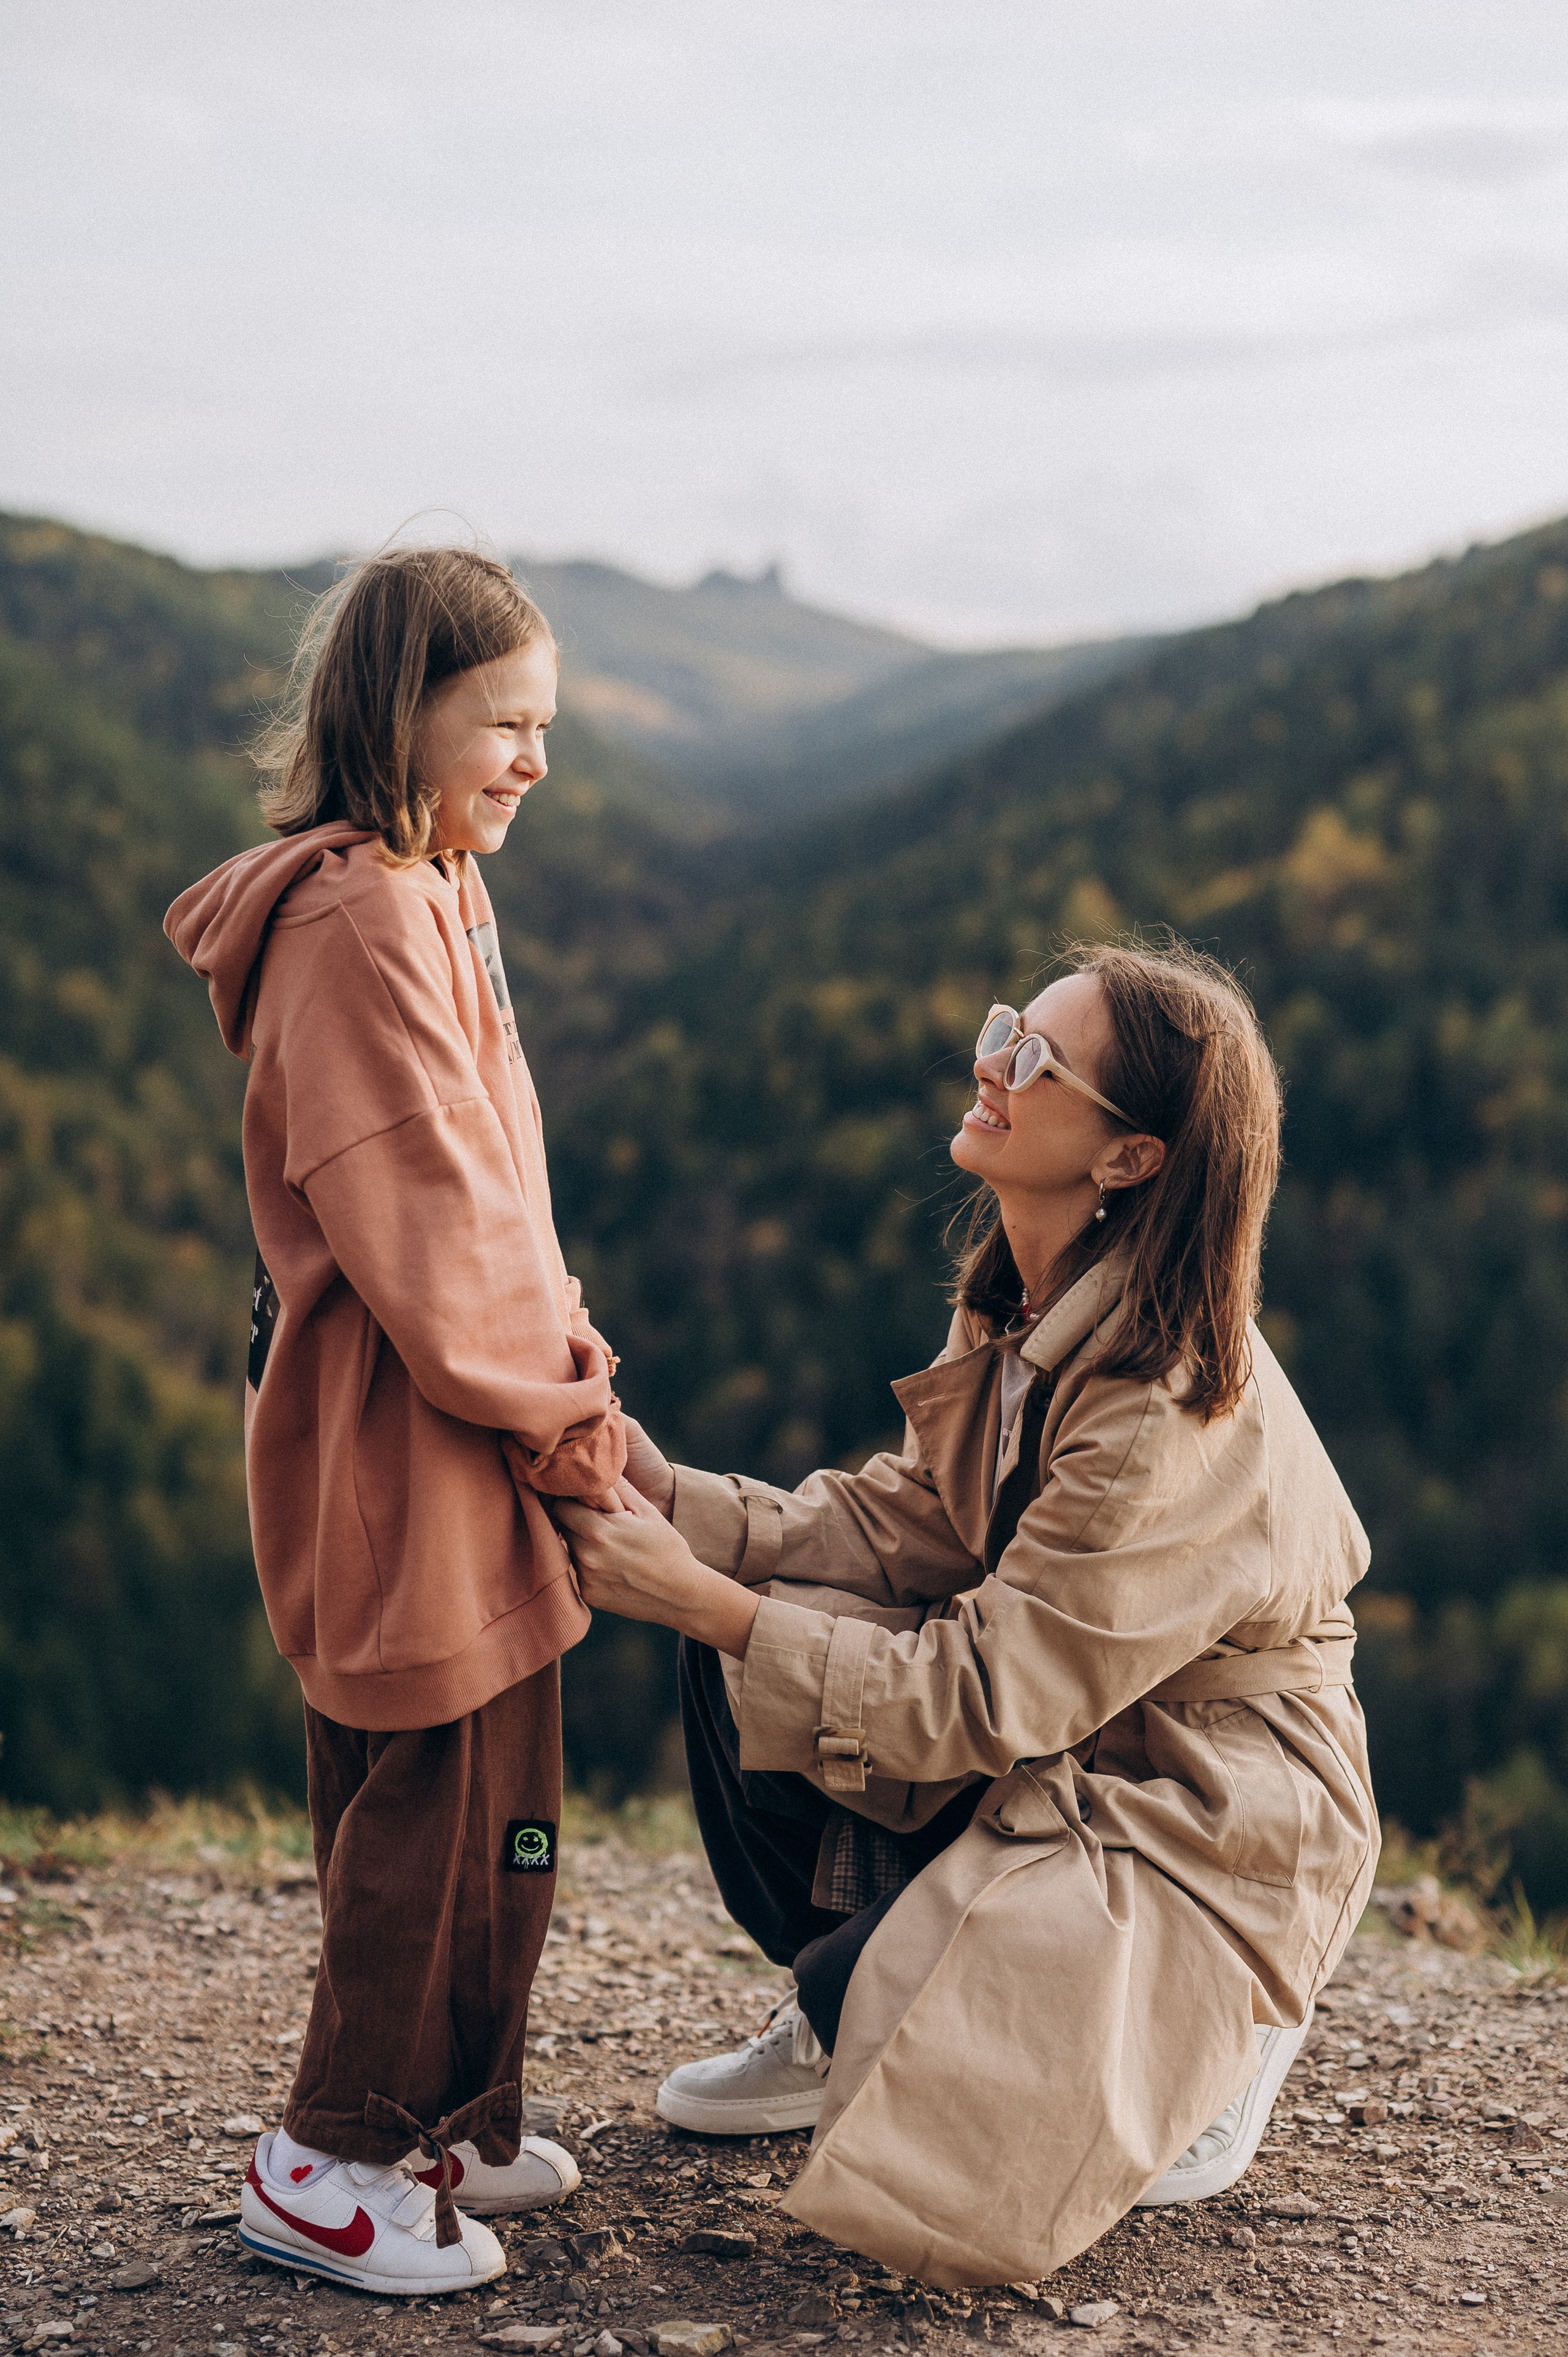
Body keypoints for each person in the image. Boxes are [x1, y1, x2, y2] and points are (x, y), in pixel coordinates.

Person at [560, 941, 1379, 2290]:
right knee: (755, 1652)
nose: (991, 1064)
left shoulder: (1156, 1402)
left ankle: (1216, 2027)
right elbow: (916, 1521)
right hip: (1073, 1729)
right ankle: (856, 1989)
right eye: (1007, 1029)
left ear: (1128, 1160)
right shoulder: (1026, 1292)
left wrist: (698, 1600)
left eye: (1036, 1060)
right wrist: (671, 1493)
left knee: (749, 1652)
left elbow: (974, 1698)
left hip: (1209, 1800)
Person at [167, 548, 627, 2297]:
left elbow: (506, 1191)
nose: (531, 760)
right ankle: (330, 2156)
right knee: (424, 1791)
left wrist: (569, 1360)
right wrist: (570, 1419)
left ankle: (452, 2113)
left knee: (501, 1774)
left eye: (546, 727)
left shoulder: (439, 888)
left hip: (475, 1412)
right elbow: (432, 1223)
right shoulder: (356, 917)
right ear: (403, 709)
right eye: (505, 722)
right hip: (402, 1425)